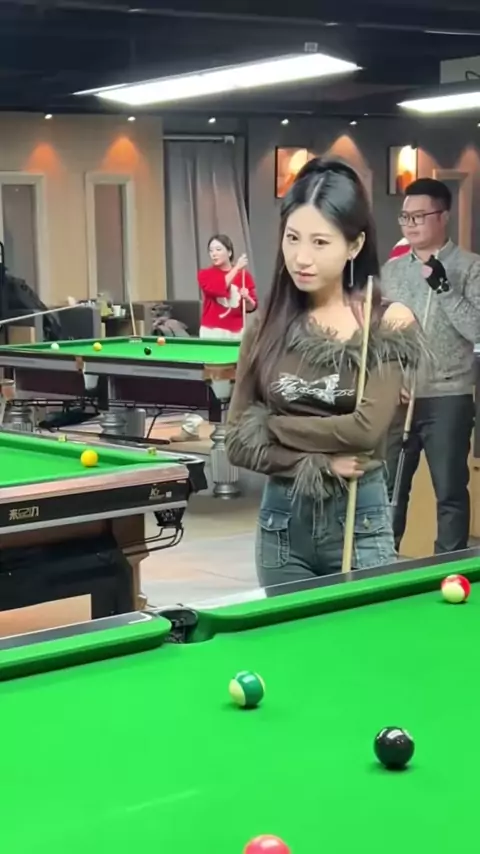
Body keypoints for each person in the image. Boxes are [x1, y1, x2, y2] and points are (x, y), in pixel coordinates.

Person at [225, 157, 422, 590]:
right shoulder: (264, 326)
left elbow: (365, 431)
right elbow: (237, 442)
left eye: (320, 242)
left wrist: (272, 425)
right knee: (290, 636)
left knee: (362, 634)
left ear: (354, 245)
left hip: (358, 520)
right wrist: (318, 463)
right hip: (281, 523)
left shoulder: (385, 322)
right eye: (292, 238)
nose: (302, 257)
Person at [382, 177, 480, 554]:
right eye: (405, 217)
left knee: (450, 491)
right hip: (399, 396)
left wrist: (444, 288)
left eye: (419, 216)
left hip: (448, 396)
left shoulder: (470, 267)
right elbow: (379, 333)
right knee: (388, 488)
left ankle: (448, 568)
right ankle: (380, 563)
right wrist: (390, 377)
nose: (410, 224)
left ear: (443, 216)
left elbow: (476, 329)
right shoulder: (392, 270)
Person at [198, 234, 257, 339]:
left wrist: (247, 298)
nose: (214, 254)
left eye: (218, 249)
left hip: (237, 331)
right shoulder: (205, 275)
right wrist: (237, 268)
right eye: (211, 251)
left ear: (229, 252)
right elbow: (218, 288)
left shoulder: (244, 276)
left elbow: (251, 307)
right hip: (212, 331)